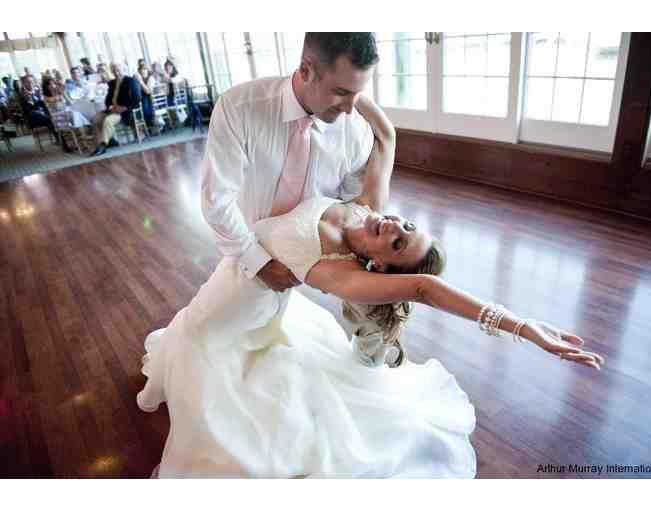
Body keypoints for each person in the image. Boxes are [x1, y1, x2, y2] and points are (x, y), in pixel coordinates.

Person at [137, 94, 604, 478]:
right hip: (242, 273)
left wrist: (522, 326)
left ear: (379, 266)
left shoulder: (340, 273)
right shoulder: (367, 208)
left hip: (238, 299)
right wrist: (347, 93)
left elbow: (425, 288)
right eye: (408, 225)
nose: (395, 225)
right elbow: (387, 135)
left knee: (198, 337)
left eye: (399, 243)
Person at [201, 33, 383, 299]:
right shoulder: (238, 107)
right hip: (242, 254)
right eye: (341, 92)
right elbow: (216, 199)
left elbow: (349, 207)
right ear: (306, 70)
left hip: (304, 268)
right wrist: (257, 262)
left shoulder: (357, 132)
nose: (349, 109)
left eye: (358, 94)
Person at [89, 63, 140, 157]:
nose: (116, 73)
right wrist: (109, 106)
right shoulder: (112, 83)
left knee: (108, 121)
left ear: (123, 70)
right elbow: (107, 99)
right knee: (95, 119)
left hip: (123, 111)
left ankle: (103, 145)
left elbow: (137, 99)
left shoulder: (131, 81)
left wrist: (125, 108)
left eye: (118, 70)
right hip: (112, 109)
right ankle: (109, 141)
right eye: (114, 71)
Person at [19, 74, 57, 139]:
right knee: (50, 119)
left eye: (31, 82)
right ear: (24, 84)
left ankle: (62, 137)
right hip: (33, 117)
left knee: (54, 116)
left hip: (43, 113)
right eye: (28, 82)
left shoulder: (36, 91)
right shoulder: (23, 94)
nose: (30, 83)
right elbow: (29, 108)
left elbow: (43, 104)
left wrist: (40, 97)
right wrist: (31, 96)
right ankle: (59, 139)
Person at [134, 58, 155, 128]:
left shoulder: (151, 78)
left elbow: (148, 91)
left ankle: (149, 122)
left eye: (144, 68)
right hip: (139, 99)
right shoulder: (137, 76)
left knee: (146, 96)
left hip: (150, 99)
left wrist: (140, 81)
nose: (143, 71)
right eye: (141, 69)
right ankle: (146, 124)